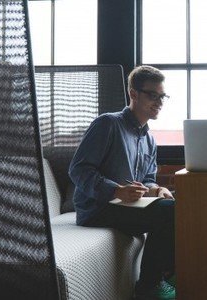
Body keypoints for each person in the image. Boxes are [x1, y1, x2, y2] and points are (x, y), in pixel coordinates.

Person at [68, 65, 176, 300]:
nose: (159, 102)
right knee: (171, 212)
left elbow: (147, 179)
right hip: (98, 209)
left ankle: (168, 276)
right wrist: (116, 190)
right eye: (152, 95)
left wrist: (157, 189)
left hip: (127, 208)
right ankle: (149, 286)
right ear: (133, 93)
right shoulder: (108, 124)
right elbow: (78, 169)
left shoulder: (149, 139)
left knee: (179, 204)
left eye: (162, 96)